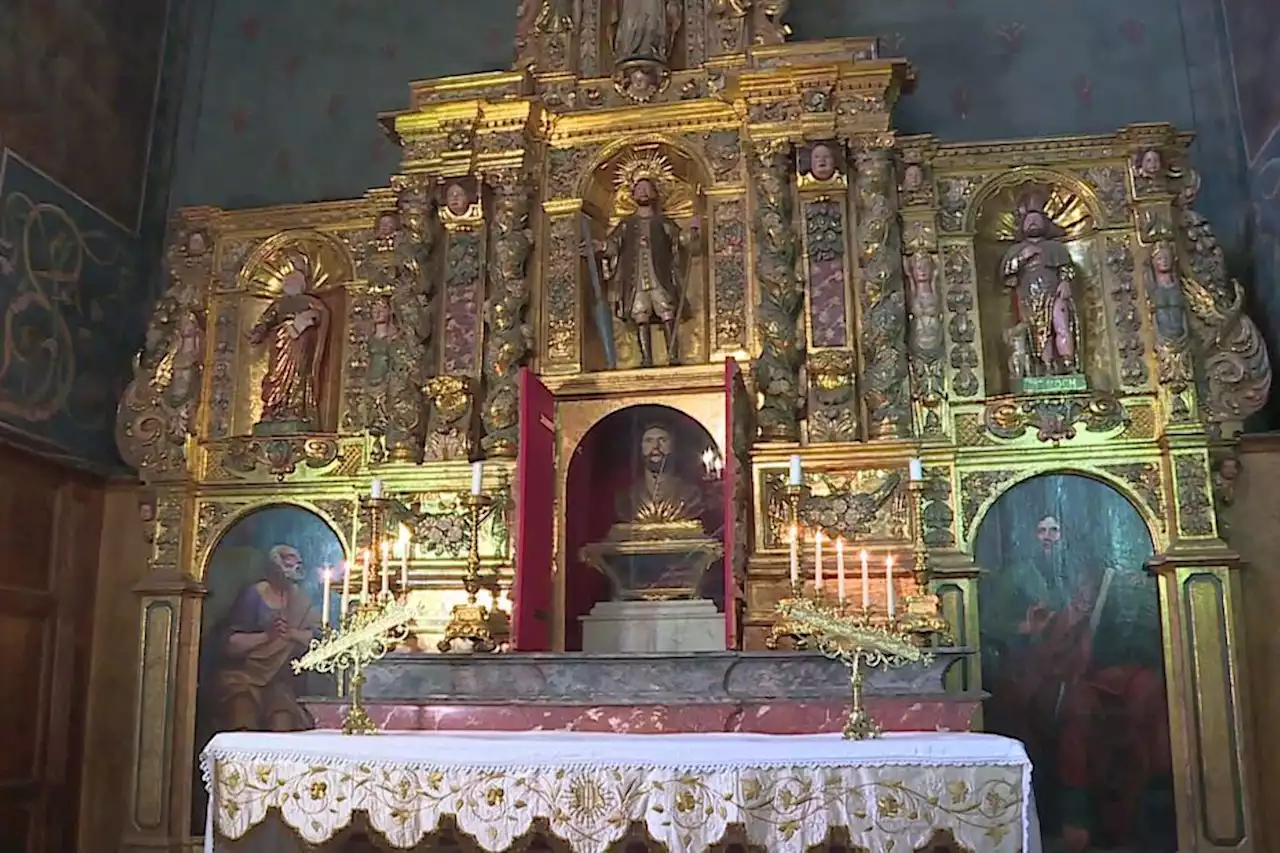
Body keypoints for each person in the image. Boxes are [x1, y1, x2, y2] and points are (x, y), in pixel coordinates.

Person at [982, 513, 1172, 852]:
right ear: (1031, 535)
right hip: (1039, 663)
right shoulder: (1017, 575)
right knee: (1068, 710)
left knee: (1140, 696)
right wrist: (1027, 629)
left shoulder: (1088, 574)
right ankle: (1072, 815)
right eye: (1041, 530)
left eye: (1054, 530)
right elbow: (993, 623)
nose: (1048, 537)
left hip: (1088, 665)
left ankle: (1129, 815)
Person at [214, 544, 321, 732]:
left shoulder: (300, 599)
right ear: (275, 565)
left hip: (280, 681)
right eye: (289, 558)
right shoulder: (253, 595)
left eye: (297, 560)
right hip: (245, 677)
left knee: (283, 718)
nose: (296, 564)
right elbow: (231, 643)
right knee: (243, 714)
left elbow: (320, 638)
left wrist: (291, 633)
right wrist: (267, 636)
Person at [595, 177, 699, 367]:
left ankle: (673, 355)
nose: (643, 192)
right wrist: (602, 245)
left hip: (659, 275)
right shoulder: (627, 224)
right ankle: (646, 358)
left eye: (647, 189)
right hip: (636, 279)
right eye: (639, 189)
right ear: (633, 195)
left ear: (654, 194)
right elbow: (613, 244)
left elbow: (678, 239)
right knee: (640, 313)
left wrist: (689, 235)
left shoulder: (663, 222)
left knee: (666, 310)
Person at [1001, 186, 1080, 376]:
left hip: (1054, 291)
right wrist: (1022, 257)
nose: (1034, 224)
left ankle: (1069, 363)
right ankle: (1047, 366)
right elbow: (1006, 273)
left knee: (1061, 325)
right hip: (1028, 294)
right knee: (1038, 332)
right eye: (1029, 221)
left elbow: (1067, 268)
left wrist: (1065, 282)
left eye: (1037, 221)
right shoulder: (1017, 249)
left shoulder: (1055, 247)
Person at [248, 255, 329, 430]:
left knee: (298, 373)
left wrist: (305, 321)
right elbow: (265, 321)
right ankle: (273, 408)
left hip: (300, 343)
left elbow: (320, 316)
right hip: (279, 343)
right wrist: (259, 332)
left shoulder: (309, 302)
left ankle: (295, 408)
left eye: (294, 281)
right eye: (288, 281)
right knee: (276, 375)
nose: (290, 284)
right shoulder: (278, 305)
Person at [615, 423, 705, 524]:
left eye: (662, 440)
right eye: (649, 441)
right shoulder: (626, 498)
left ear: (673, 446)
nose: (655, 446)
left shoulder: (691, 496)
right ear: (640, 447)